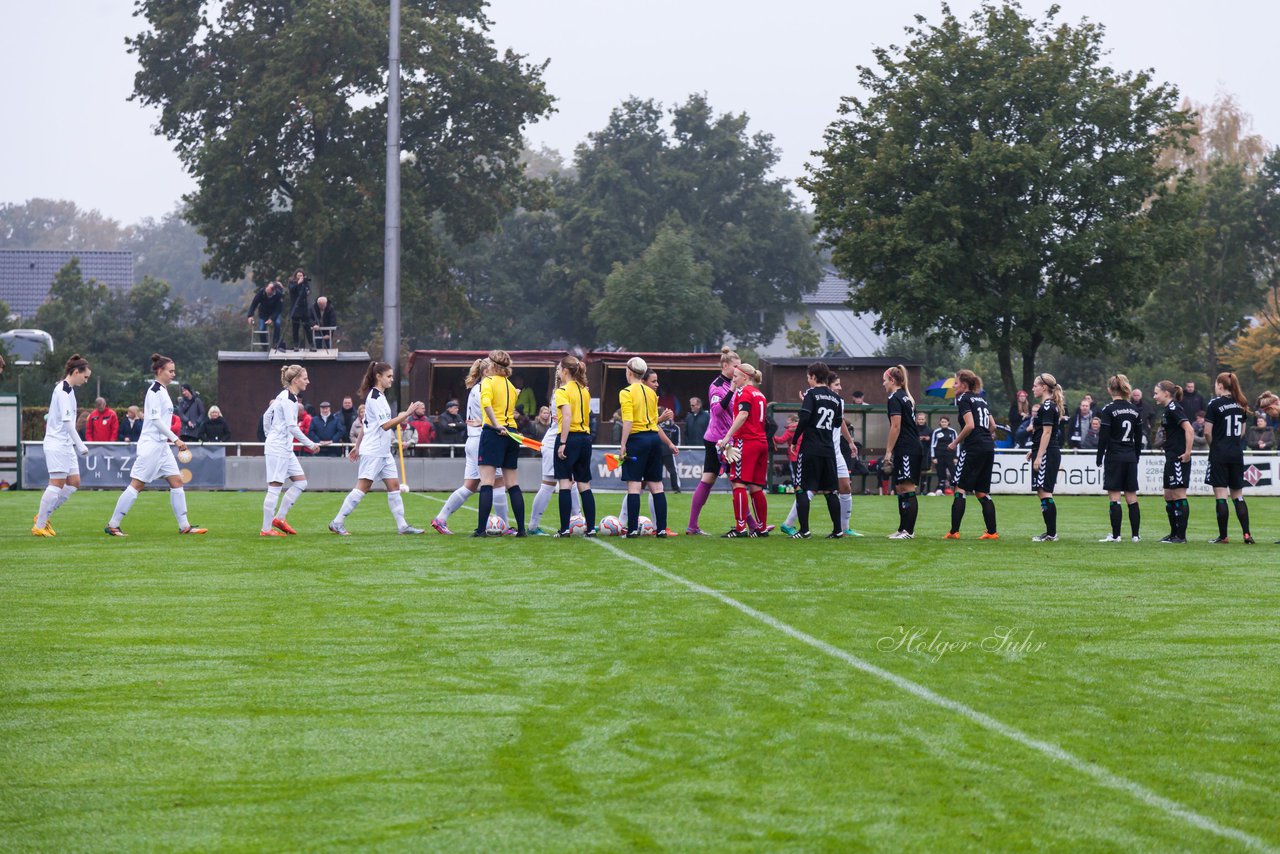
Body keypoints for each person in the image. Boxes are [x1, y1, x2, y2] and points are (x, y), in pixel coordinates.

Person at [105, 353, 207, 536]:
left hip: (162, 446)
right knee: (137, 484)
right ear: (160, 371)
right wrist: (175, 439)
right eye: (170, 371)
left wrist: (170, 440)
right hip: (151, 445)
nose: (173, 374)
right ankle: (113, 524)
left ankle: (184, 526)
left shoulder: (163, 391)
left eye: (174, 371)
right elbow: (155, 419)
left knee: (176, 481)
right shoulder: (154, 391)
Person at [328, 361, 424, 535]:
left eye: (392, 376)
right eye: (389, 376)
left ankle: (402, 526)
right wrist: (406, 414)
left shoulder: (379, 396)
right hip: (373, 451)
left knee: (394, 486)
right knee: (363, 487)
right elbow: (385, 426)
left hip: (383, 452)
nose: (392, 379)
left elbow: (367, 425)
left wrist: (357, 446)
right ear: (378, 376)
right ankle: (337, 522)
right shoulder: (374, 397)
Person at [431, 360, 511, 535]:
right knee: (497, 482)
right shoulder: (484, 388)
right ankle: (504, 526)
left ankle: (441, 518)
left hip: (473, 440)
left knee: (470, 485)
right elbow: (488, 415)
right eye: (494, 369)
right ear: (486, 371)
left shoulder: (478, 388)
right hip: (482, 440)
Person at [688, 346, 755, 535]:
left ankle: (692, 526)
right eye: (736, 366)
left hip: (724, 439)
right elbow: (716, 411)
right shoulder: (717, 385)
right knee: (736, 481)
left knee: (710, 478)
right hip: (719, 440)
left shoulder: (737, 384)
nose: (739, 369)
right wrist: (732, 389)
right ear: (725, 365)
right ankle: (752, 525)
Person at [32, 354, 92, 536]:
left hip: (65, 444)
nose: (86, 380)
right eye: (85, 376)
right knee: (57, 483)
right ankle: (39, 526)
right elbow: (67, 423)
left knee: (73, 482)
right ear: (75, 372)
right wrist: (81, 445)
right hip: (57, 443)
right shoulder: (64, 391)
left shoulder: (69, 390)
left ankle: (43, 515)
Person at [618, 356, 675, 537]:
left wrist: (623, 445)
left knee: (634, 486)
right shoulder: (651, 393)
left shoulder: (626, 392)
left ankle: (633, 529)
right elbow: (652, 421)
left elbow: (628, 420)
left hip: (637, 439)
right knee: (657, 486)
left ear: (629, 372)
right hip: (653, 439)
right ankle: (661, 530)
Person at [473, 350, 527, 537]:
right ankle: (521, 530)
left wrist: (495, 425)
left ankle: (481, 530)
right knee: (513, 484)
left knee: (486, 482)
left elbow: (487, 404)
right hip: (511, 433)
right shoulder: (511, 386)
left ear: (493, 364)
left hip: (494, 433)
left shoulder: (488, 382)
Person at [260, 365, 319, 536]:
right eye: (305, 378)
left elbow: (266, 416)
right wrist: (310, 444)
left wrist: (268, 435)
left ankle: (279, 519)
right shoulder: (288, 400)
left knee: (301, 482)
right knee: (275, 487)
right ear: (295, 380)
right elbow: (292, 427)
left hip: (284, 447)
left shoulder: (285, 396)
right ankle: (266, 529)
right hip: (278, 448)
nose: (308, 381)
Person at [789, 361, 844, 538]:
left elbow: (804, 419)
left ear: (813, 376)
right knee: (830, 491)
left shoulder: (811, 394)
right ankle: (838, 530)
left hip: (811, 448)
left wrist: (795, 439)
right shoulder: (835, 398)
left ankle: (804, 530)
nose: (808, 380)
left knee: (801, 488)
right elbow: (837, 423)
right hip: (828, 450)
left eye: (808, 377)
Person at [716, 363, 769, 537]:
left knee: (738, 482)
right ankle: (761, 527)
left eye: (736, 376)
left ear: (745, 377)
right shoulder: (759, 394)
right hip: (761, 442)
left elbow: (743, 414)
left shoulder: (743, 391)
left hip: (746, 441)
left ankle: (740, 528)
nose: (734, 379)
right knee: (756, 486)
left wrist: (727, 437)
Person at [946, 369, 998, 540]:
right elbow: (993, 426)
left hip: (973, 447)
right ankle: (992, 532)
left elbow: (970, 425)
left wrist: (955, 442)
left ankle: (954, 532)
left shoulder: (963, 399)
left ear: (964, 384)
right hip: (988, 447)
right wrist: (985, 438)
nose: (953, 386)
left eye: (955, 383)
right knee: (981, 492)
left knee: (959, 489)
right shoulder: (982, 399)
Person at [1203, 371, 1253, 544]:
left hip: (1219, 453)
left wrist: (1214, 446)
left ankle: (1223, 536)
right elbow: (1242, 432)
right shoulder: (1241, 404)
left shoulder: (1214, 404)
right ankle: (1247, 534)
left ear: (1220, 385)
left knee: (1221, 495)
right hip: (1236, 453)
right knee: (1238, 495)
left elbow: (1207, 432)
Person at [552, 355, 597, 536]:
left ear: (565, 371)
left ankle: (564, 530)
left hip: (569, 438)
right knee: (584, 484)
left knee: (564, 483)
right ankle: (591, 528)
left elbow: (568, 416)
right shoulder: (584, 391)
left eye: (559, 369)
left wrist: (563, 442)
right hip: (585, 438)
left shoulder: (562, 391)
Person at [1096, 374, 1142, 542]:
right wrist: (1136, 456)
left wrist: (1099, 457)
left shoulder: (1108, 410)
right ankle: (1135, 535)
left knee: (1115, 497)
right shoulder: (1135, 410)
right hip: (1130, 456)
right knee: (1132, 497)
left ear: (1110, 390)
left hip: (1114, 456)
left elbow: (1104, 437)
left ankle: (1116, 536)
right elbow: (1139, 438)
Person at [882, 364, 923, 539]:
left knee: (907, 487)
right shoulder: (906, 397)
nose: (883, 384)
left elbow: (896, 427)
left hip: (907, 448)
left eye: (884, 380)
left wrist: (888, 452)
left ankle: (909, 531)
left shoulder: (895, 398)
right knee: (900, 487)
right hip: (908, 447)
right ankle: (902, 529)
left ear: (892, 380)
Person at [1153, 380, 1193, 544]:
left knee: (1178, 493)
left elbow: (1189, 429)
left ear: (1166, 393)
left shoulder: (1174, 408)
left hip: (1178, 456)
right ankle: (1173, 533)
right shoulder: (1167, 410)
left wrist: (1187, 452)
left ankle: (1181, 536)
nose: (1154, 396)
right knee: (1168, 495)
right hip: (1170, 455)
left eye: (1156, 393)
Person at [1026, 373, 1064, 542]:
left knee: (1044, 491)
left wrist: (1039, 455)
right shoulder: (1048, 405)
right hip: (1044, 450)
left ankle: (1051, 534)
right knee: (1042, 491)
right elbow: (1042, 432)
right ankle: (1050, 532)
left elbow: (1047, 432)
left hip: (1048, 452)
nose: (1033, 388)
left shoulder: (1048, 406)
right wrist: (1033, 450)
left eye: (1035, 385)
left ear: (1044, 387)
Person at [246, 280, 285, 350]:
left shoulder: (279, 295)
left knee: (277, 324)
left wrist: (272, 319)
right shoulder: (262, 292)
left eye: (269, 291)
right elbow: (254, 304)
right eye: (266, 289)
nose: (267, 291)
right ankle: (264, 347)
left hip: (275, 312)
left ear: (273, 291)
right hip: (263, 313)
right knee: (261, 329)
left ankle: (276, 343)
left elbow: (279, 309)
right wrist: (250, 315)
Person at [930, 416, 957, 495]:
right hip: (939, 456)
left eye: (945, 422)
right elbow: (933, 445)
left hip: (950, 456)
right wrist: (933, 457)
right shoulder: (936, 432)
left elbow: (956, 444)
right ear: (940, 423)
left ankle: (956, 490)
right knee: (941, 474)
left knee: (953, 473)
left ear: (948, 422)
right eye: (942, 422)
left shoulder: (952, 432)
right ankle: (941, 491)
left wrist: (956, 457)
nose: (944, 423)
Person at [288, 268, 312, 350]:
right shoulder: (292, 282)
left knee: (307, 327)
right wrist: (298, 283)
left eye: (301, 275)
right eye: (298, 276)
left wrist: (306, 288)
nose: (300, 277)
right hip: (295, 308)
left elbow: (308, 291)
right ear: (295, 276)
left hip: (304, 308)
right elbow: (291, 289)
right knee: (295, 328)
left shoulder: (305, 283)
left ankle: (311, 344)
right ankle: (296, 345)